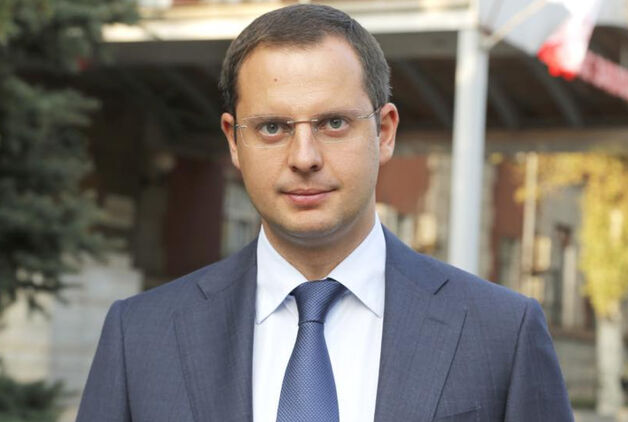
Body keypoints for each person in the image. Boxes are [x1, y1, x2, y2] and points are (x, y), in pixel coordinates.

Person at [77, 4, 573, 421]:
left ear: (384, 132)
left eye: (333, 123)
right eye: (272, 127)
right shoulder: (140, 336)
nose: (304, 157)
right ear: (233, 141)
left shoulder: (501, 333)